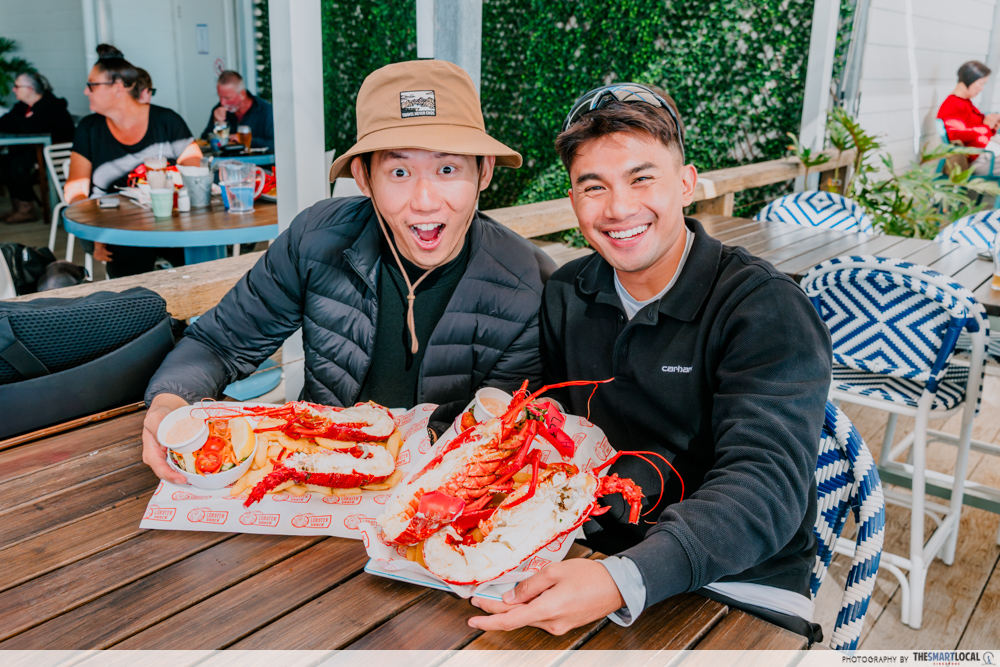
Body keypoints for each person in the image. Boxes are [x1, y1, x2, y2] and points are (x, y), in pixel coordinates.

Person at [468, 84, 832, 642]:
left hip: (740, 585)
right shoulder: (567, 291)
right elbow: (537, 417)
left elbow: (766, 485)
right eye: (594, 187)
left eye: (642, 178)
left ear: (686, 183)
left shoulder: (766, 307)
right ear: (573, 199)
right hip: (589, 553)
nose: (619, 209)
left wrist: (623, 579)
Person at [141, 60, 556, 485]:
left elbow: (503, 433)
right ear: (363, 177)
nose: (425, 201)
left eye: (447, 169)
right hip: (311, 476)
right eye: (399, 172)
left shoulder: (528, 283)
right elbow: (219, 343)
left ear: (484, 171)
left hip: (447, 494)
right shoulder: (316, 238)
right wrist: (170, 402)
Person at [65, 44, 202, 277]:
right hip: (114, 227)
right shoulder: (89, 128)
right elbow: (75, 189)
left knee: (198, 256)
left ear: (118, 88)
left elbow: (195, 173)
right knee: (127, 261)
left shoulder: (166, 120)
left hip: (172, 222)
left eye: (92, 85)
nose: (86, 92)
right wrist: (94, 228)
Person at [0, 71, 75, 223]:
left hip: (55, 153)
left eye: (17, 86)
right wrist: (22, 120)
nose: (13, 89)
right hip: (36, 150)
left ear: (29, 89)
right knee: (5, 161)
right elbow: (4, 122)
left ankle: (26, 210)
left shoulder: (50, 105)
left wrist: (21, 122)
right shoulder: (23, 106)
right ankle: (20, 207)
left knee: (18, 163)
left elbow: (29, 127)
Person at [937, 60, 1000, 176]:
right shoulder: (952, 104)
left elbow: (977, 131)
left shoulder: (966, 103)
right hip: (980, 159)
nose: (981, 89)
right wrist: (986, 127)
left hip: (987, 154)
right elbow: (955, 135)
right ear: (969, 80)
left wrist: (992, 127)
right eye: (981, 83)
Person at [200, 70, 274, 151]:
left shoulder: (266, 111)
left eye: (227, 98)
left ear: (242, 94)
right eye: (220, 97)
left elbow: (275, 144)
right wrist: (217, 123)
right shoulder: (218, 109)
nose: (222, 102)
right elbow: (204, 140)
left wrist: (246, 140)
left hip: (258, 159)